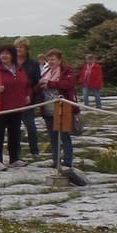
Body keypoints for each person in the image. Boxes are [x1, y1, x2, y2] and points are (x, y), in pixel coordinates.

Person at [39, 49, 86, 185]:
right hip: (47, 108)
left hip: (63, 108)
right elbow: (38, 86)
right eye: (49, 59)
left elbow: (68, 84)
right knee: (52, 136)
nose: (51, 62)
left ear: (59, 59)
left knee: (64, 135)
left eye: (53, 59)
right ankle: (55, 160)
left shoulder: (67, 70)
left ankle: (67, 161)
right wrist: (40, 85)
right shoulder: (46, 71)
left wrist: (50, 84)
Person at [0, 45, 30, 171]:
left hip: (17, 107)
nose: (4, 56)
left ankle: (14, 158)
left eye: (7, 53)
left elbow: (26, 84)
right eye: (2, 53)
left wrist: (28, 95)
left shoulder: (19, 68)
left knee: (15, 134)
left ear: (12, 55)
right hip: (1, 107)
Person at [14, 39, 43, 158]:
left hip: (28, 99)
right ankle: (15, 152)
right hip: (13, 98)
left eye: (21, 47)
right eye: (17, 47)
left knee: (30, 125)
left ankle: (34, 151)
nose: (18, 49)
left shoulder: (33, 64)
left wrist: (35, 97)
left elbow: (37, 82)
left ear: (26, 49)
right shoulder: (11, 62)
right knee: (14, 126)